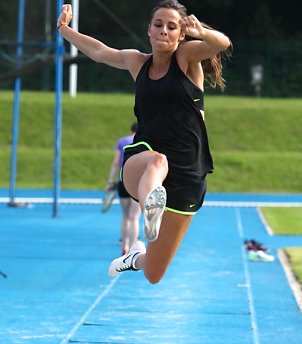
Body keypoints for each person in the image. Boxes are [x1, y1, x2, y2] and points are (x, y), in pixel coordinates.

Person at [57, 1, 231, 284]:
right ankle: (151, 205)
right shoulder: (137, 61)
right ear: (149, 30)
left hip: (187, 173)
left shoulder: (186, 58)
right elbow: (99, 52)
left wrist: (202, 32)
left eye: (171, 26)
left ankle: (133, 257)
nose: (163, 31)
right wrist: (63, 28)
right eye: (158, 24)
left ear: (181, 34)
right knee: (157, 160)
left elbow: (221, 43)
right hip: (144, 159)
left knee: (153, 273)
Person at [105, 122, 141, 255]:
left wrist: (110, 181)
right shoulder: (144, 142)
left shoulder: (122, 142)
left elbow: (115, 163)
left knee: (125, 216)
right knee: (135, 217)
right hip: (138, 184)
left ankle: (124, 246)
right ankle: (133, 248)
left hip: (123, 182)